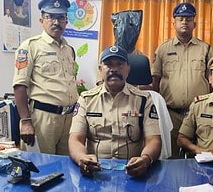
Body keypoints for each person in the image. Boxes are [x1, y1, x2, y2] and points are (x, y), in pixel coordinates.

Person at [69, 46, 161, 178]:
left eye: (120, 64)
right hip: (96, 170)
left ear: (128, 69)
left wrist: (146, 159)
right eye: (108, 65)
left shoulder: (143, 100)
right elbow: (75, 139)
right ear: (100, 69)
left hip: (132, 170)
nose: (114, 69)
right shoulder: (86, 99)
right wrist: (81, 158)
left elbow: (154, 139)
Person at [12, 0, 78, 155]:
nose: (56, 22)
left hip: (68, 118)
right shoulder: (30, 46)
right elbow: (20, 86)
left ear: (66, 21)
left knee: (66, 169)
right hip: (44, 119)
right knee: (42, 169)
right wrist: (26, 121)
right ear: (42, 20)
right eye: (51, 17)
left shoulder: (68, 49)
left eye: (61, 17)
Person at [151, 2, 213, 158]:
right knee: (171, 158)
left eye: (188, 19)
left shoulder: (205, 49)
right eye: (180, 19)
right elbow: (155, 83)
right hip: (171, 114)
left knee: (200, 157)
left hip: (199, 113)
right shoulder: (163, 49)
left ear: (195, 23)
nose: (184, 22)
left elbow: (212, 81)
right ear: (174, 23)